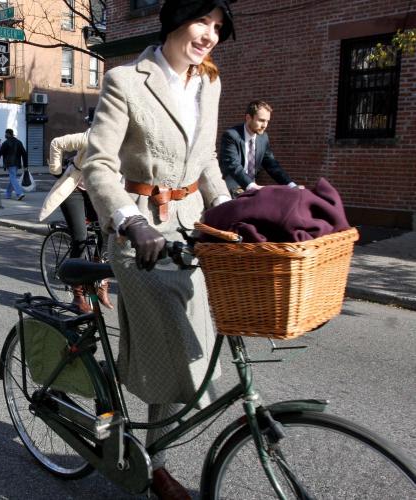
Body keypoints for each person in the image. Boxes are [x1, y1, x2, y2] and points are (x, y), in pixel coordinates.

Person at [81, 1, 235, 497]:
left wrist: (231, 214)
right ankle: (156, 464)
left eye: (217, 27)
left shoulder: (208, 82)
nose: (209, 35)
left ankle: (153, 455)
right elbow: (99, 164)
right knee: (177, 350)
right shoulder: (126, 81)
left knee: (197, 343)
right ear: (175, 20)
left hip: (191, 230)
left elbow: (207, 158)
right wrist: (127, 220)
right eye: (202, 22)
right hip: (140, 236)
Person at [39, 112, 113, 312]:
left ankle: (100, 283)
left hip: (97, 192)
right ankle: (78, 295)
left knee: (107, 233)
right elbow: (56, 143)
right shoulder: (90, 137)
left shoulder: (121, 144)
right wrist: (55, 170)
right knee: (80, 237)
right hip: (75, 190)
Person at [219, 100, 300, 197]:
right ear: (248, 118)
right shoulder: (231, 135)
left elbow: (272, 165)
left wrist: (291, 185)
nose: (265, 125)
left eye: (267, 121)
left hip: (252, 188)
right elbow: (233, 165)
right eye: (261, 120)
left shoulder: (263, 137)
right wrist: (251, 186)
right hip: (231, 188)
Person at [0, 128, 27, 201]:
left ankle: (19, 193)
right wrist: (25, 165)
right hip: (17, 163)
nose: (5, 135)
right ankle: (8, 194)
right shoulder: (19, 142)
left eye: (5, 133)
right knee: (13, 178)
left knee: (12, 178)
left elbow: (0, 152)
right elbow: (24, 154)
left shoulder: (6, 143)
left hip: (10, 163)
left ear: (8, 134)